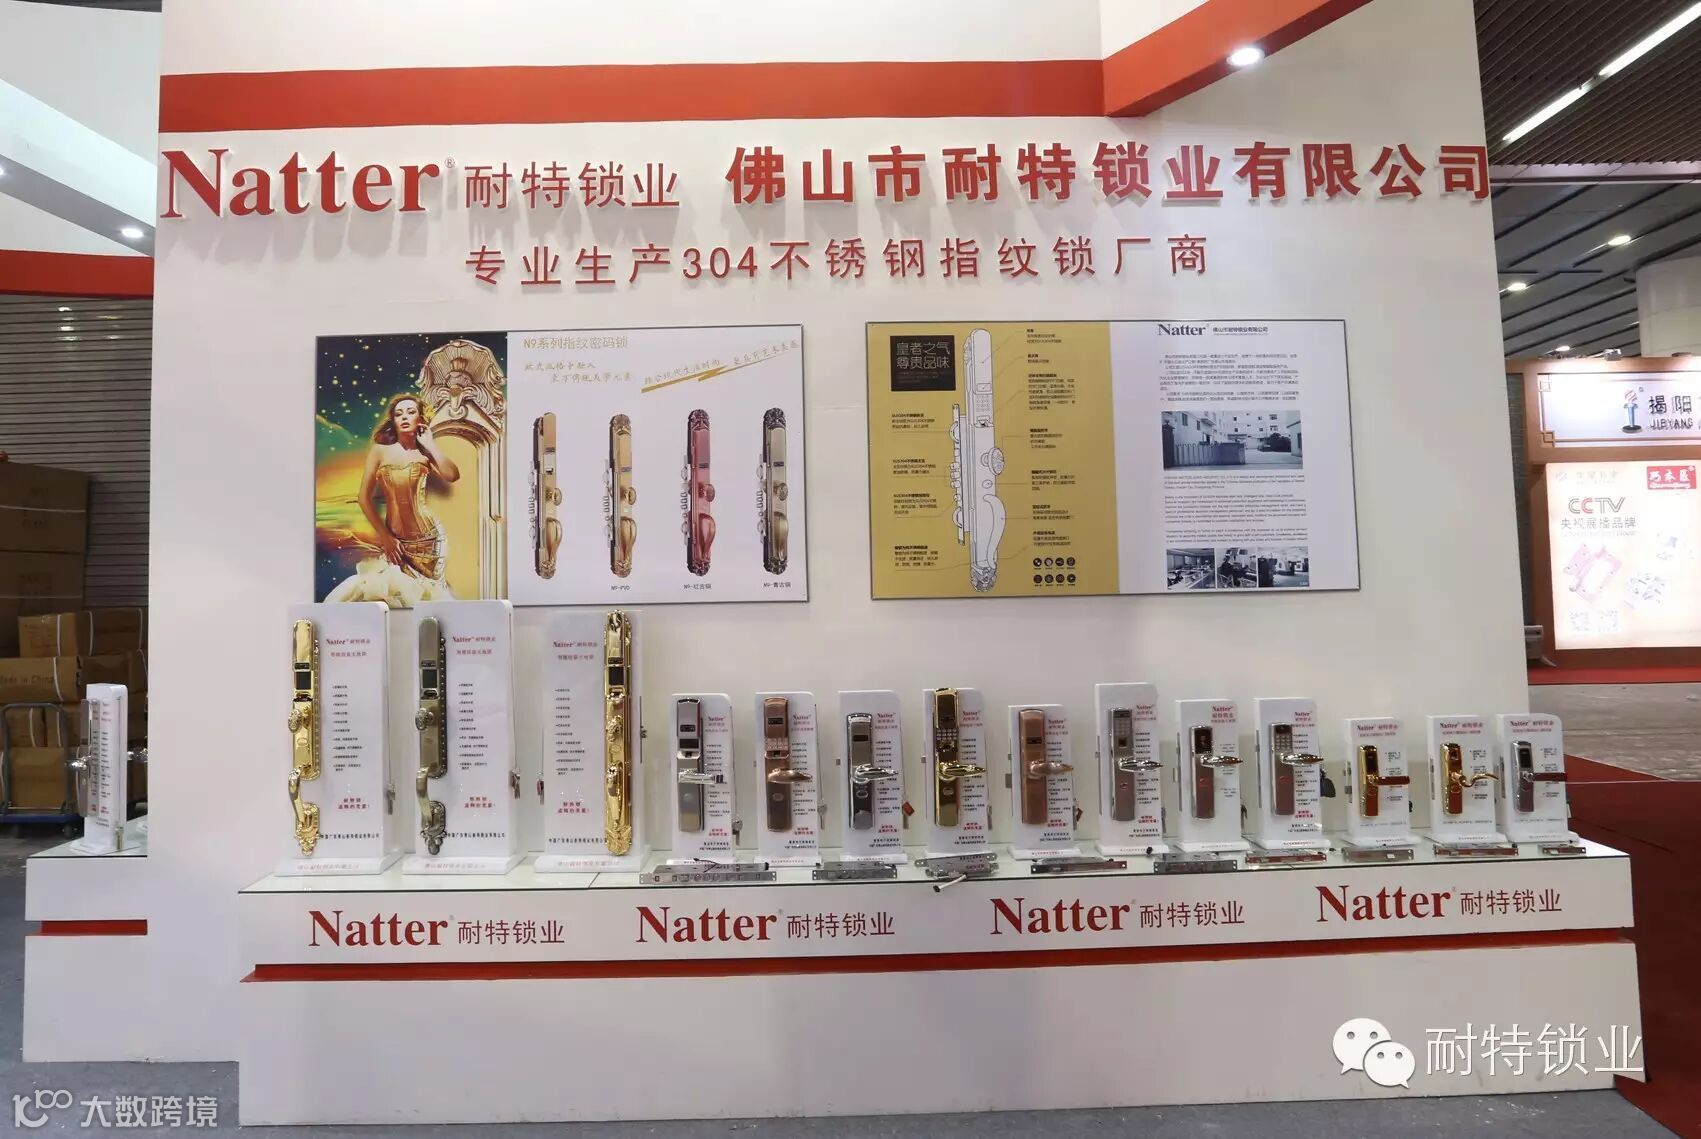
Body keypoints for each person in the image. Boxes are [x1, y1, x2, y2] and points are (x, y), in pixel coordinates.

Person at [326, 395, 460, 604]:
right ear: (394, 421)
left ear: (420, 419)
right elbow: (363, 498)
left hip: (430, 542)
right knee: (388, 597)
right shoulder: (380, 451)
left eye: (411, 412)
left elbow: (452, 475)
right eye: (399, 414)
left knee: (429, 599)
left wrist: (431, 444)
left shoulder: (425, 452)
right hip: (395, 543)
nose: (404, 417)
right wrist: (385, 537)